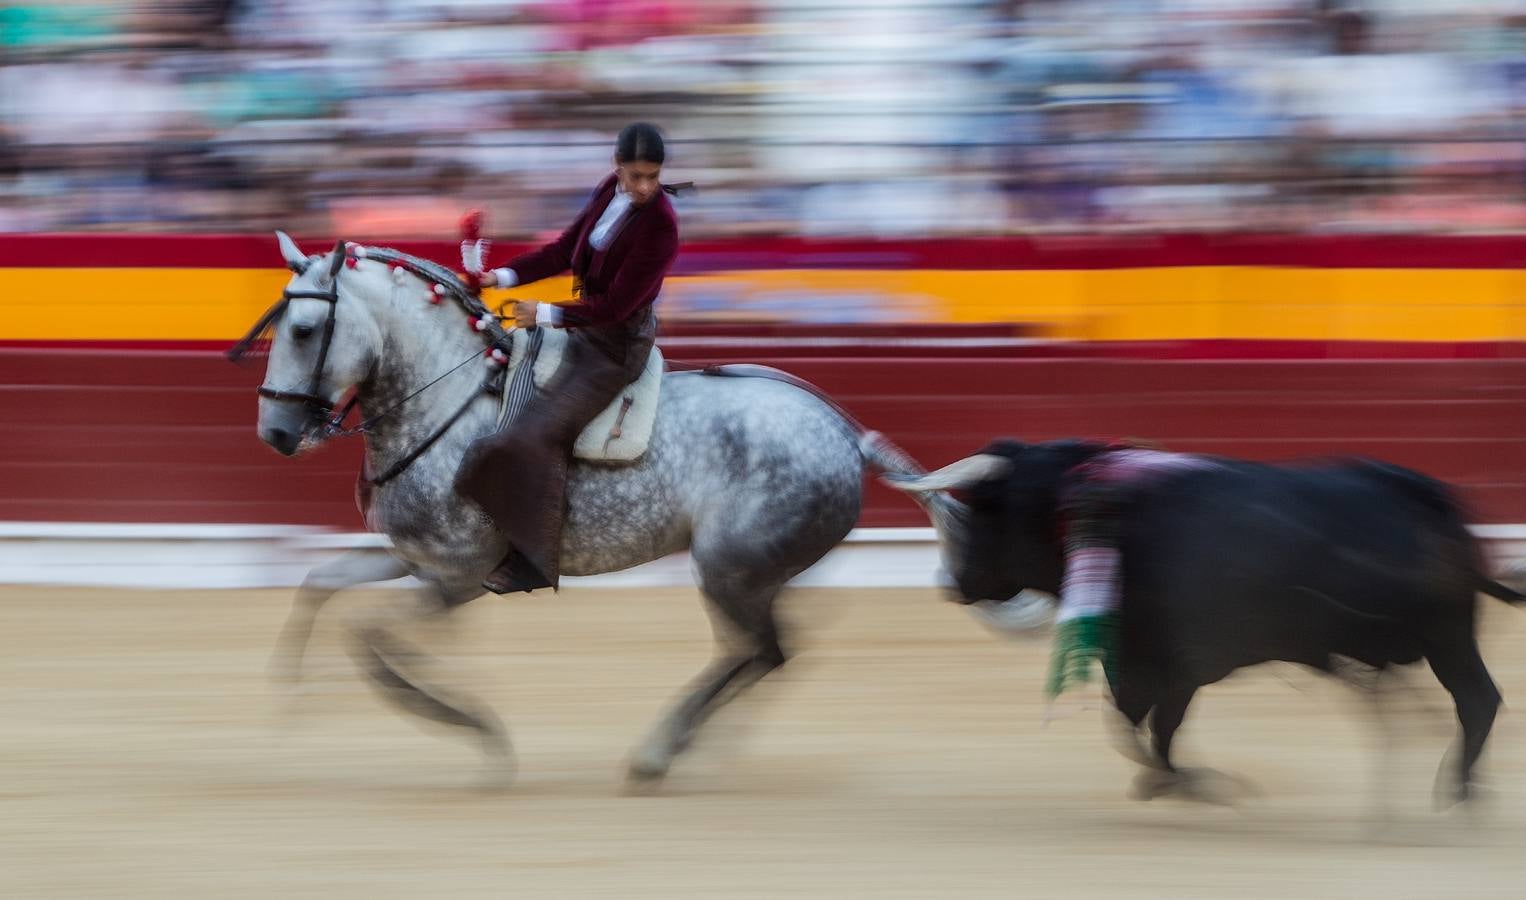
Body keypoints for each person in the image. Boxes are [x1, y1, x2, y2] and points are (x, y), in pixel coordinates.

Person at [456, 122, 680, 594]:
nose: (643, 187)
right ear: (616, 167)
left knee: (537, 433)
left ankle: (533, 560)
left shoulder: (661, 226)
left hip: (614, 350)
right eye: (635, 176)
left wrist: (545, 313)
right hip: (582, 331)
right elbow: (563, 252)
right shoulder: (607, 192)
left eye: (652, 177)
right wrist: (501, 277)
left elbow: (617, 307)